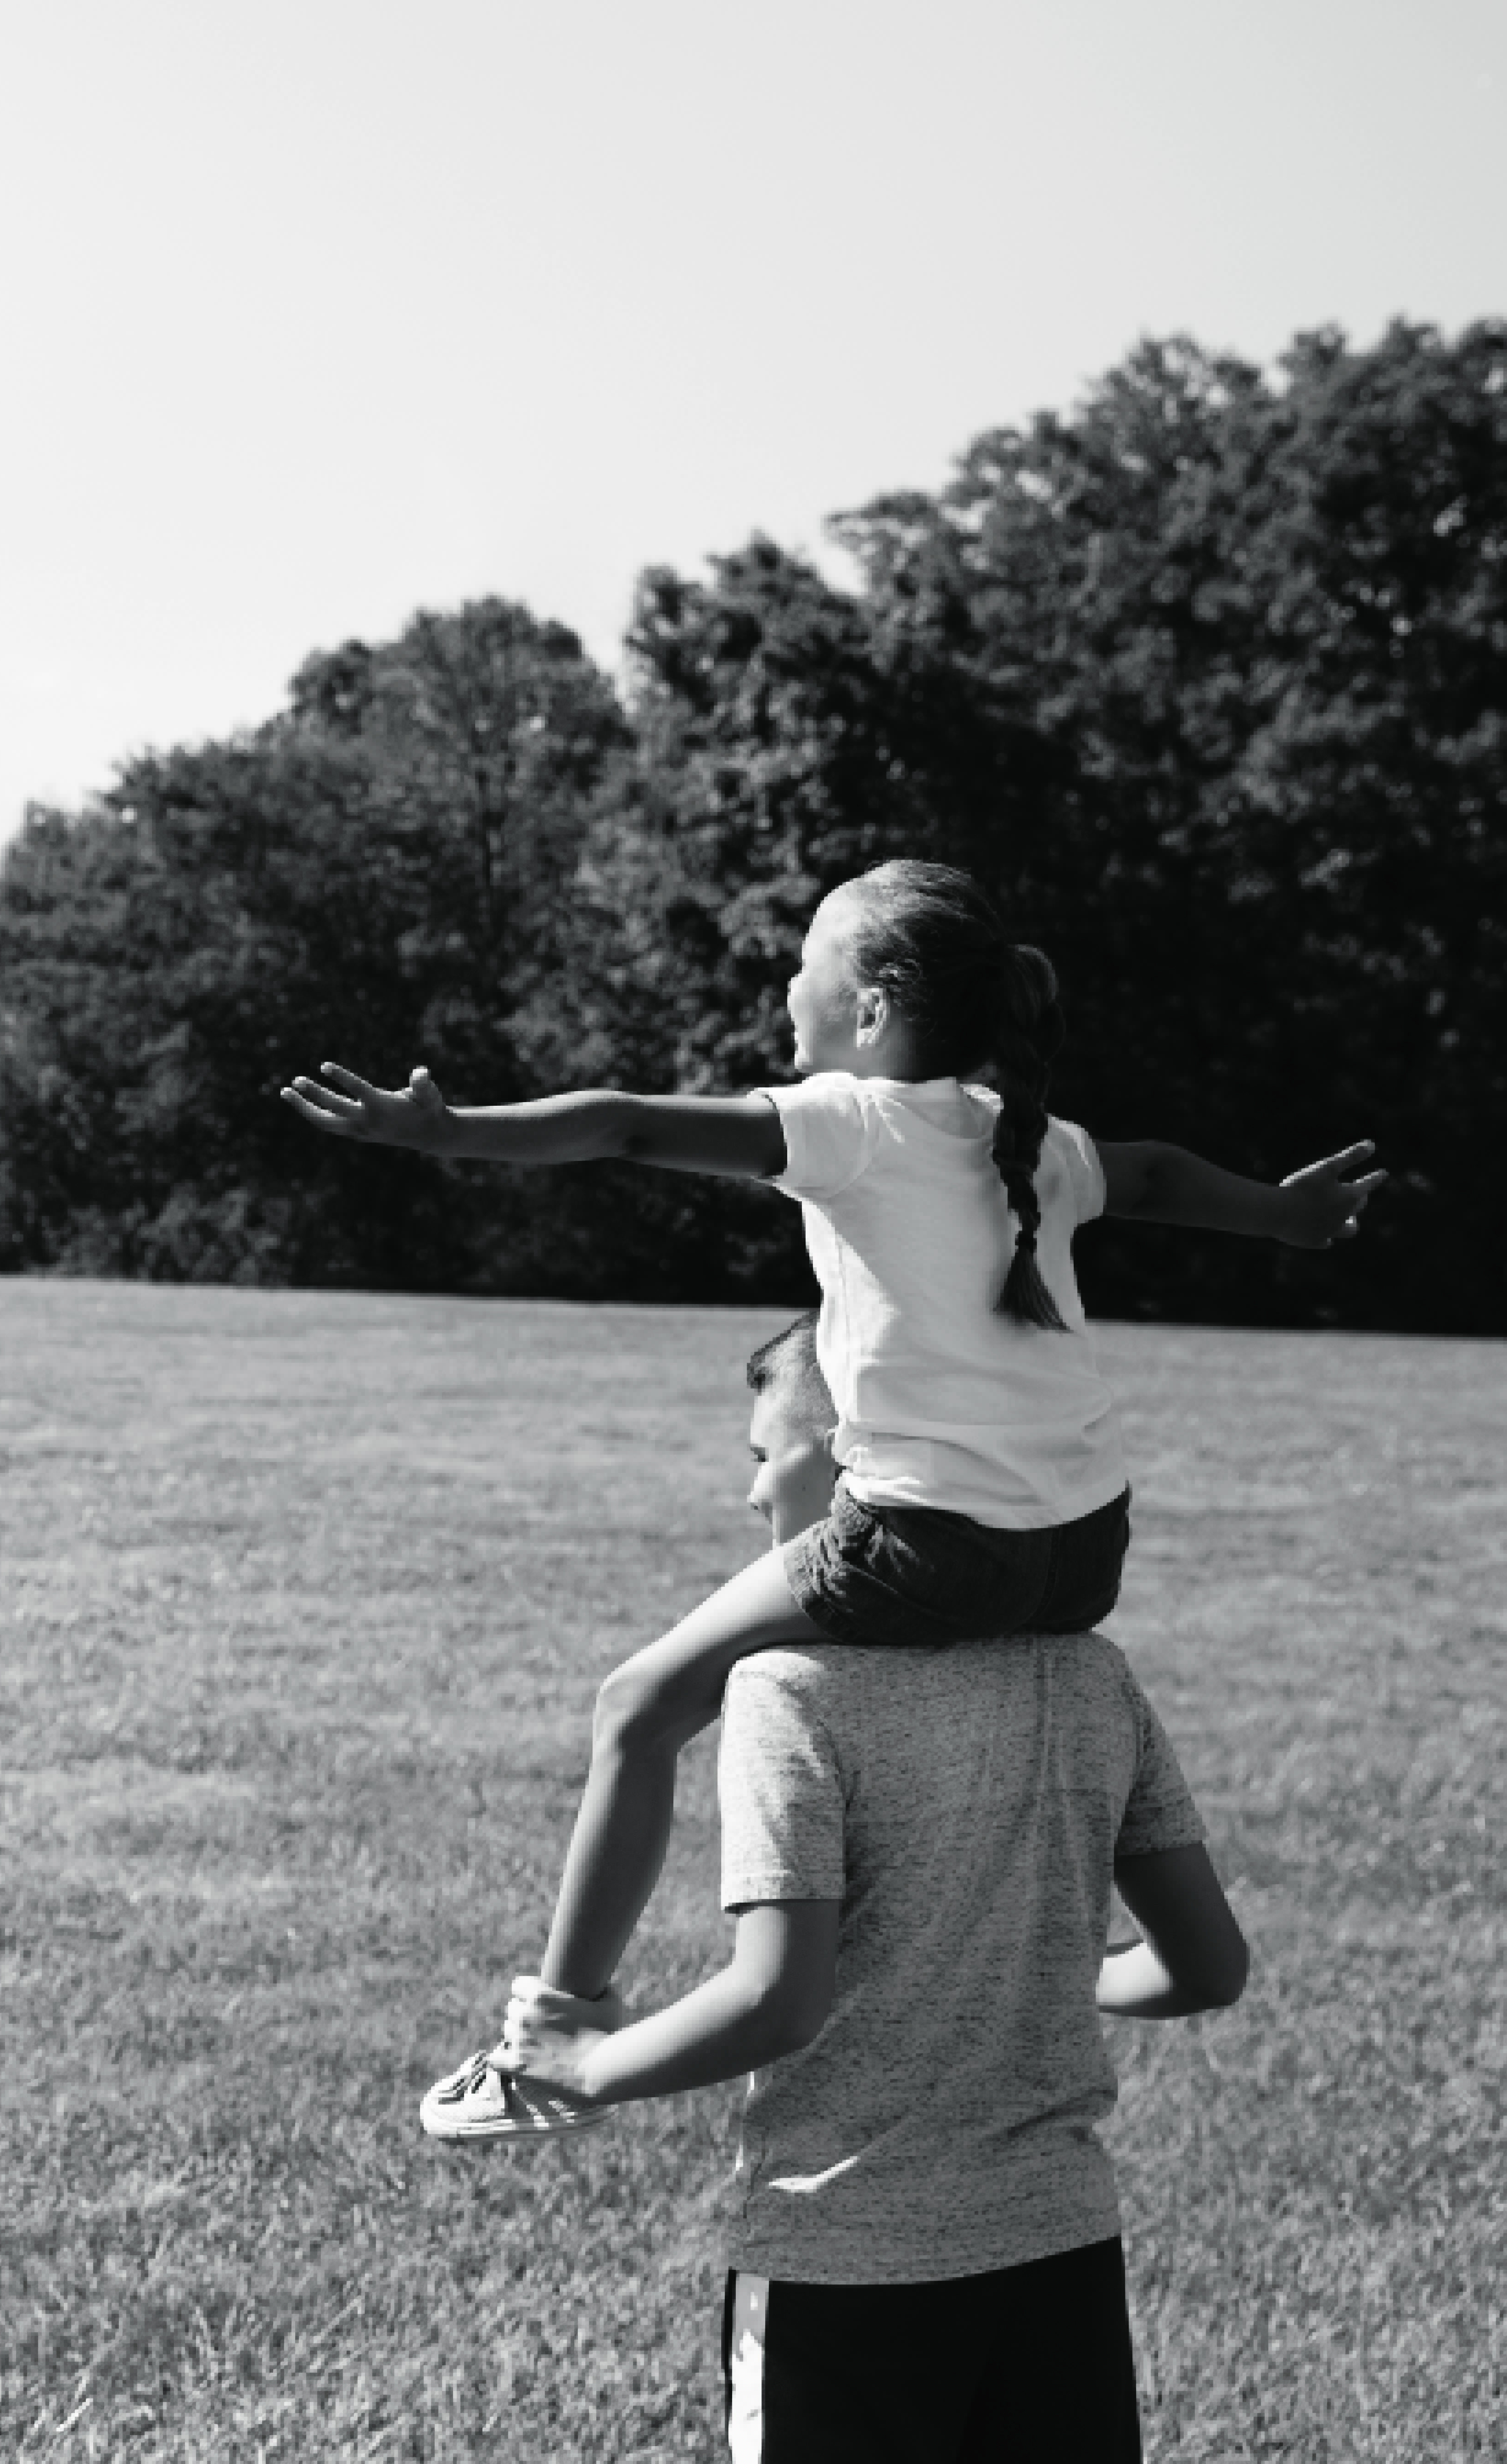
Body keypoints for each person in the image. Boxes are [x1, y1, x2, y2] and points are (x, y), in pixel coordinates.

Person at [280, 858, 1367, 2132]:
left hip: (925, 1542)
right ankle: (1056, 1971)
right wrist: (1280, 1220)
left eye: (805, 958)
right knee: (699, 1683)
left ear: (870, 1007)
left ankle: (550, 2032)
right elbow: (1169, 1177)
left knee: (636, 1702)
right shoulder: (1032, 1144)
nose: (781, 979)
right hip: (1083, 1553)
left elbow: (626, 1123)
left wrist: (449, 1131)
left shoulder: (847, 1118)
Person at [482, 1308, 1249, 2461]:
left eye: (763, 1457)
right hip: (1059, 2247)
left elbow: (775, 2000)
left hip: (841, 2258)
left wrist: (584, 2064)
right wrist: (1036, 1970)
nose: (749, 1497)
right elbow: (1207, 1968)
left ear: (854, 1460)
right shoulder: (1091, 1676)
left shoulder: (787, 1688)